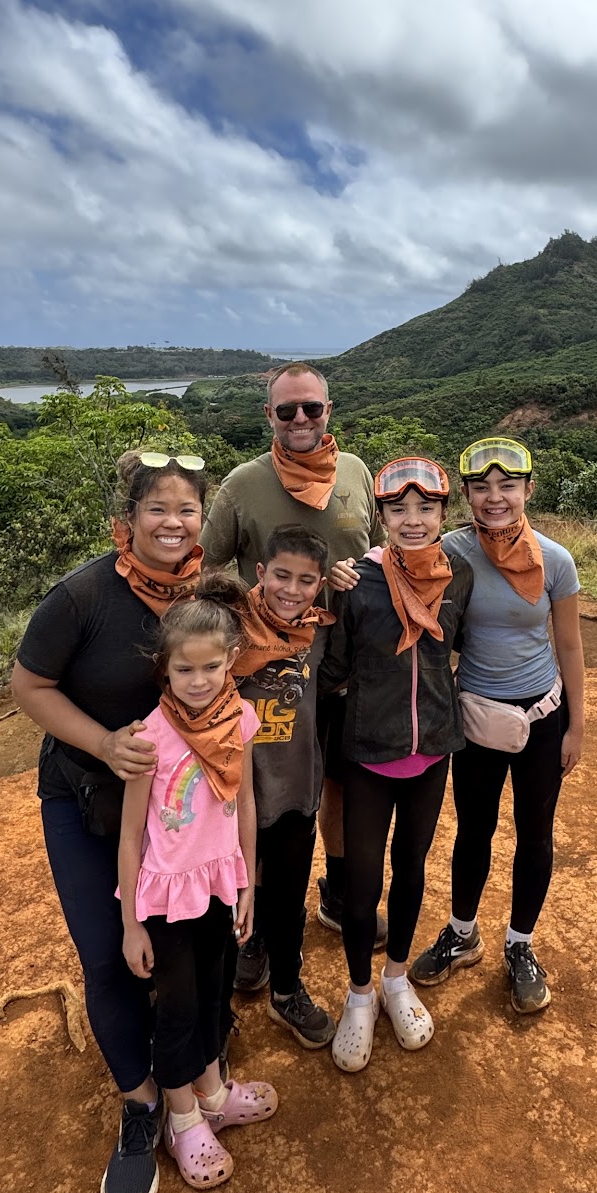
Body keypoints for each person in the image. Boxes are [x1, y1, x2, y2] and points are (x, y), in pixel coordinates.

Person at [12, 448, 210, 1193]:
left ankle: (194, 1065)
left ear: (203, 520)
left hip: (175, 812)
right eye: (156, 509)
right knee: (106, 951)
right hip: (84, 797)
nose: (172, 522)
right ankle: (140, 1103)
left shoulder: (205, 592)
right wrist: (103, 744)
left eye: (186, 509)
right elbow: (29, 684)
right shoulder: (84, 596)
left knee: (176, 941)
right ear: (124, 524)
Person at [200, 362, 383, 967]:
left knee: (336, 785)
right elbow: (206, 566)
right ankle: (255, 922)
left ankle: (333, 892)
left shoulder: (356, 473)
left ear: (329, 410)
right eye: (287, 411)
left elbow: (379, 551)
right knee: (262, 793)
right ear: (269, 417)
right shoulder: (243, 485)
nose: (300, 420)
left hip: (350, 665)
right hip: (274, 676)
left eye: (312, 408)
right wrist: (241, 621)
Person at [409, 437, 585, 1014]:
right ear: (465, 495)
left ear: (528, 491)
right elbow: (399, 574)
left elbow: (569, 645)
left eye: (507, 486)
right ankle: (463, 934)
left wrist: (576, 727)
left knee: (535, 833)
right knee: (474, 830)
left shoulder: (555, 561)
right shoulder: (451, 553)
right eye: (481, 488)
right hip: (477, 717)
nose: (494, 499)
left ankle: (520, 945)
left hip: (540, 716)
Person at [117, 581, 278, 1193]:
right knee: (178, 1008)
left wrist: (248, 884)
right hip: (166, 898)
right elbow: (131, 837)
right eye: (184, 668)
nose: (198, 679)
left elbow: (245, 804)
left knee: (214, 994)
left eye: (212, 666)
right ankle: (181, 1119)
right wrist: (132, 921)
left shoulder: (239, 720)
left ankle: (212, 1094)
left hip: (220, 884)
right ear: (165, 667)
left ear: (232, 659)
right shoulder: (148, 739)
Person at [319, 457, 473, 1073]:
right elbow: (330, 668)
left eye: (425, 509)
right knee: (360, 883)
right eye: (398, 509)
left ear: (442, 514)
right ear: (381, 516)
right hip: (367, 752)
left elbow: (461, 647)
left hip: (433, 747)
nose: (412, 521)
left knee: (411, 868)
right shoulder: (356, 580)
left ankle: (396, 978)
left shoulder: (456, 576)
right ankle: (359, 993)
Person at [230, 526, 338, 1048]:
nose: (291, 590)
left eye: (305, 581)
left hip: (296, 786)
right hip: (234, 795)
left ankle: (287, 989)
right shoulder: (229, 630)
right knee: (235, 888)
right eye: (281, 576)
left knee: (291, 889)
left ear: (320, 585)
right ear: (260, 574)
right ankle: (248, 951)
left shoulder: (322, 635)